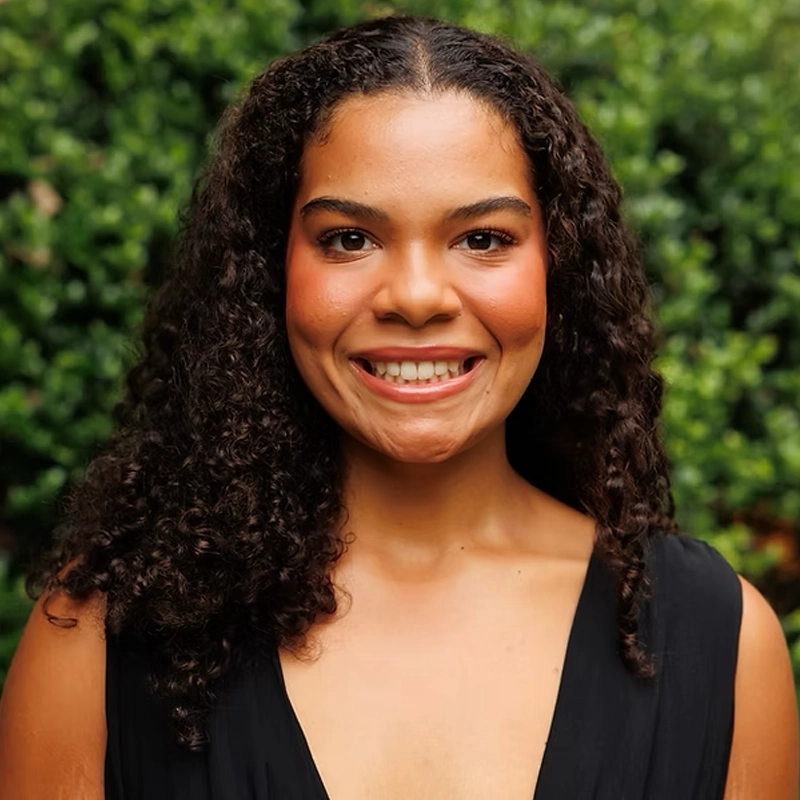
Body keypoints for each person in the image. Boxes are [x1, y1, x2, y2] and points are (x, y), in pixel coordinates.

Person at [0, 14, 797, 800]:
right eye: (349, 238)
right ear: (267, 274)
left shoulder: (719, 642)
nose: (416, 297)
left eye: (483, 238)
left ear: (559, 265)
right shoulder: (102, 640)